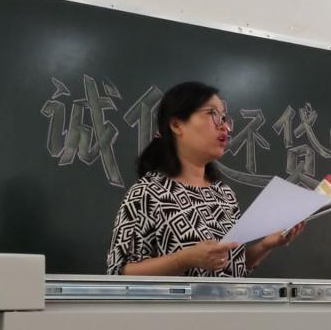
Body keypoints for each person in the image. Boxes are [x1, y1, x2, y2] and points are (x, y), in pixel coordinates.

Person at [106, 81, 303, 276]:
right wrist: (184, 259)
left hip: (228, 299)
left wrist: (265, 245)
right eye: (212, 114)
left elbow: (232, 270)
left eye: (224, 118)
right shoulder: (147, 193)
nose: (225, 127)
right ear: (176, 125)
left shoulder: (223, 194)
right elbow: (119, 272)